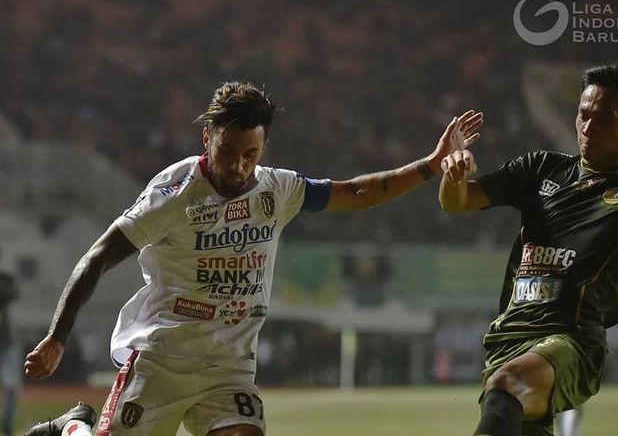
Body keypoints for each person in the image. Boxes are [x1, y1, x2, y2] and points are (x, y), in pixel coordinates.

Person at [24, 81, 483, 436]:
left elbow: (359, 191)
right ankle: (72, 426)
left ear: (263, 149)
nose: (238, 166)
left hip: (230, 368)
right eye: (227, 151)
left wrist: (429, 164)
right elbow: (99, 255)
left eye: (250, 154)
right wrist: (56, 337)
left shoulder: (277, 189)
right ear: (208, 138)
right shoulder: (174, 196)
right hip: (163, 359)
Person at [439, 64, 618, 436]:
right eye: (583, 115)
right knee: (508, 391)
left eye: (605, 119)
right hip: (507, 340)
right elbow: (456, 202)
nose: (588, 128)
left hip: (571, 340)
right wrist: (453, 176)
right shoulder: (539, 169)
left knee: (507, 386)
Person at [0, 269, 21, 436]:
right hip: (7, 342)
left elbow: (13, 293)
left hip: (6, 342)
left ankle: (7, 423)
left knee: (12, 386)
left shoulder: (5, 280)